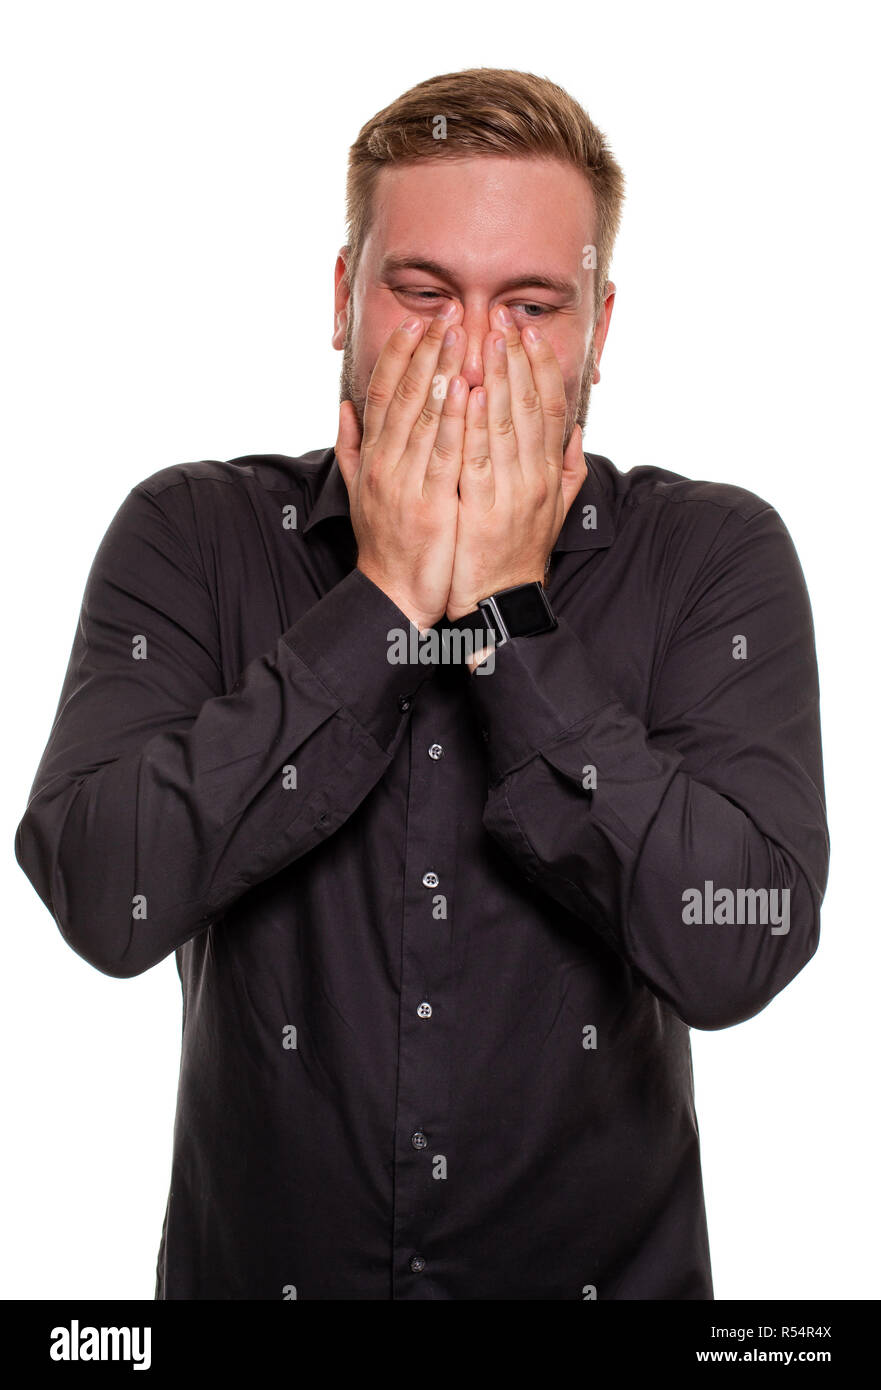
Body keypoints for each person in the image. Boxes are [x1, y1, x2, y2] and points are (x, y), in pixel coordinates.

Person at [14, 67, 829, 1300]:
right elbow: (104, 892)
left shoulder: (712, 558)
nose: (467, 358)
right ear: (343, 297)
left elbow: (743, 940)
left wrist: (508, 621)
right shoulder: (190, 533)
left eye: (530, 307)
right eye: (422, 292)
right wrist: (382, 606)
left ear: (599, 331)